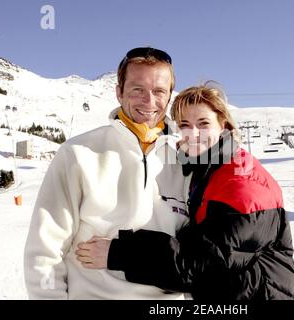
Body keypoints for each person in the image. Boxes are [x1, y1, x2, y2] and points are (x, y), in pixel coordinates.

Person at [76, 83, 294, 300]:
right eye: (184, 125)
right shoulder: (207, 170)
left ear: (224, 126)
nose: (193, 134)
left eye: (203, 124)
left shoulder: (243, 184)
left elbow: (201, 263)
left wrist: (119, 253)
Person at [24, 47, 189, 299]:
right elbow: (45, 249)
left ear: (168, 97)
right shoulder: (79, 153)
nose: (149, 101)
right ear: (119, 92)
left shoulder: (186, 161)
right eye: (137, 89)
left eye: (159, 91)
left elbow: (203, 258)